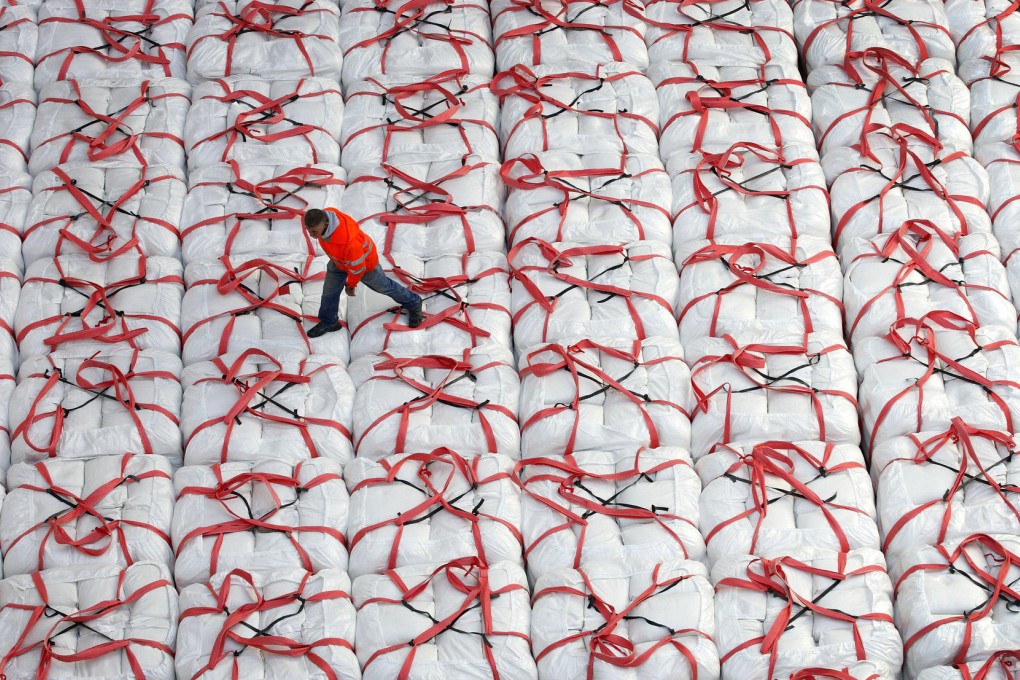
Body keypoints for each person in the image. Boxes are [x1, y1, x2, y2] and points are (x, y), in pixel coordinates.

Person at [303, 207, 423, 337]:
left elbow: (357, 268)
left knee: (384, 286)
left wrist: (351, 285)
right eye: (309, 231)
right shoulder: (325, 216)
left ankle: (413, 302)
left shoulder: (349, 243)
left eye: (314, 232)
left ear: (326, 224)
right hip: (339, 261)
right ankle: (329, 321)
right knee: (329, 291)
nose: (312, 235)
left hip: (365, 265)